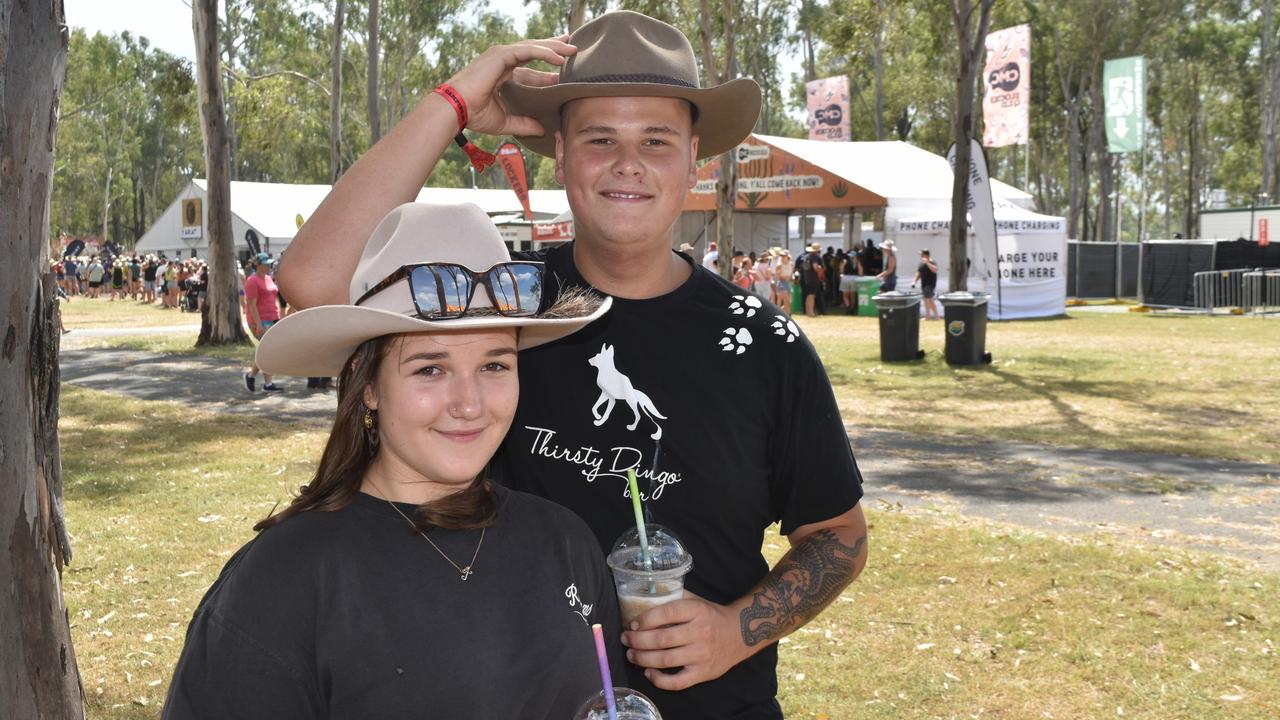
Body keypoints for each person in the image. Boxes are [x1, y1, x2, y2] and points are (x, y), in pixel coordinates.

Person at [278, 12, 866, 719]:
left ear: (694, 157)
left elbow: (838, 536)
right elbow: (315, 282)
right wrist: (458, 102)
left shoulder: (766, 343)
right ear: (559, 152)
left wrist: (734, 631)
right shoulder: (505, 310)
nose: (628, 164)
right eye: (598, 140)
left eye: (656, 140)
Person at [163, 203, 620, 719]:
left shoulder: (565, 541)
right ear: (369, 384)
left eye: (494, 364)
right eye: (430, 370)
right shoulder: (282, 581)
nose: (470, 404)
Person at [244, 253, 282, 392]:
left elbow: (273, 297)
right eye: (266, 264)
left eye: (269, 264)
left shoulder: (269, 279)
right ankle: (253, 377)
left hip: (273, 317)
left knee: (268, 350)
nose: (268, 266)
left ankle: (266, 383)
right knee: (267, 349)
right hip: (260, 320)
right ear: (258, 265)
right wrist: (258, 324)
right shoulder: (252, 281)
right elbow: (252, 305)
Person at [914, 249, 940, 320]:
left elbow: (935, 270)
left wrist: (927, 263)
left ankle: (936, 316)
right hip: (924, 283)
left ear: (926, 255)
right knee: (926, 299)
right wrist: (914, 281)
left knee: (930, 299)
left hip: (930, 284)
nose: (921, 256)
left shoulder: (932, 261)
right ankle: (928, 316)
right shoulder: (921, 263)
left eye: (922, 254)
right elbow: (919, 273)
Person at [774, 249, 794, 316]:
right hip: (782, 283)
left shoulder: (791, 264)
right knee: (786, 301)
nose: (782, 257)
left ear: (787, 256)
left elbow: (791, 274)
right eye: (781, 255)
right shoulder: (779, 265)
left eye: (783, 255)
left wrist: (791, 278)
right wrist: (784, 277)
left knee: (789, 302)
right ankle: (786, 315)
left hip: (788, 283)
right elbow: (778, 277)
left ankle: (780, 313)